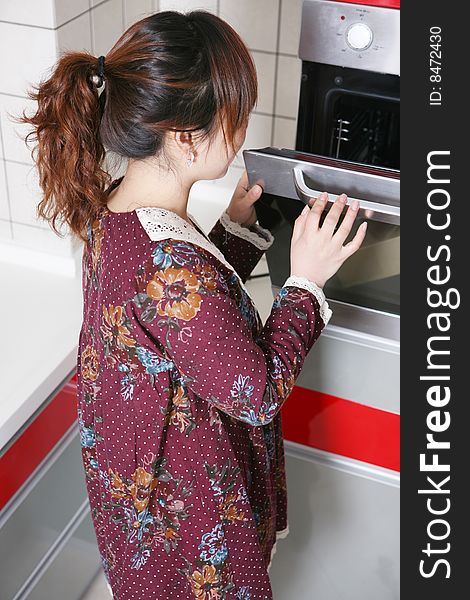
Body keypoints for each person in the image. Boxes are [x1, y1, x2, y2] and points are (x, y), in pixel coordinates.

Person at [16, 9, 366, 600]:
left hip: (145, 504)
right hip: (190, 528)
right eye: (238, 116)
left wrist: (234, 230)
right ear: (183, 135)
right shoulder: (168, 265)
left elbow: (180, 325)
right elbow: (255, 392)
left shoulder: (121, 213)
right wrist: (305, 282)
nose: (244, 129)